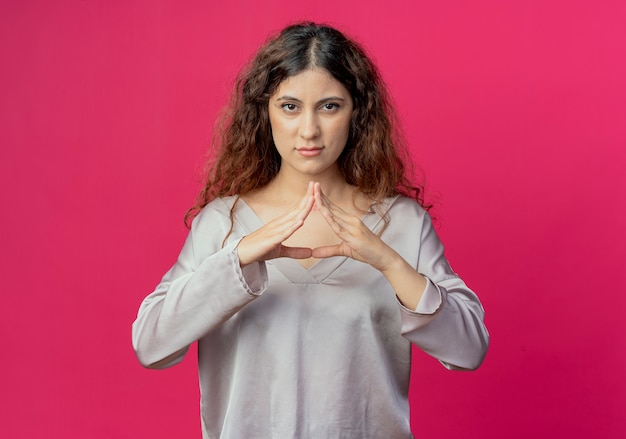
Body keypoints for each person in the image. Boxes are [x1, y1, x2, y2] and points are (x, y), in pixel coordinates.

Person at [132, 22, 489, 439]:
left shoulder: (402, 224)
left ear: (357, 111)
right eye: (289, 106)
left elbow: (469, 351)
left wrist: (389, 262)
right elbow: (151, 346)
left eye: (329, 106)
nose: (308, 130)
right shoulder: (222, 223)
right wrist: (238, 258)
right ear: (264, 110)